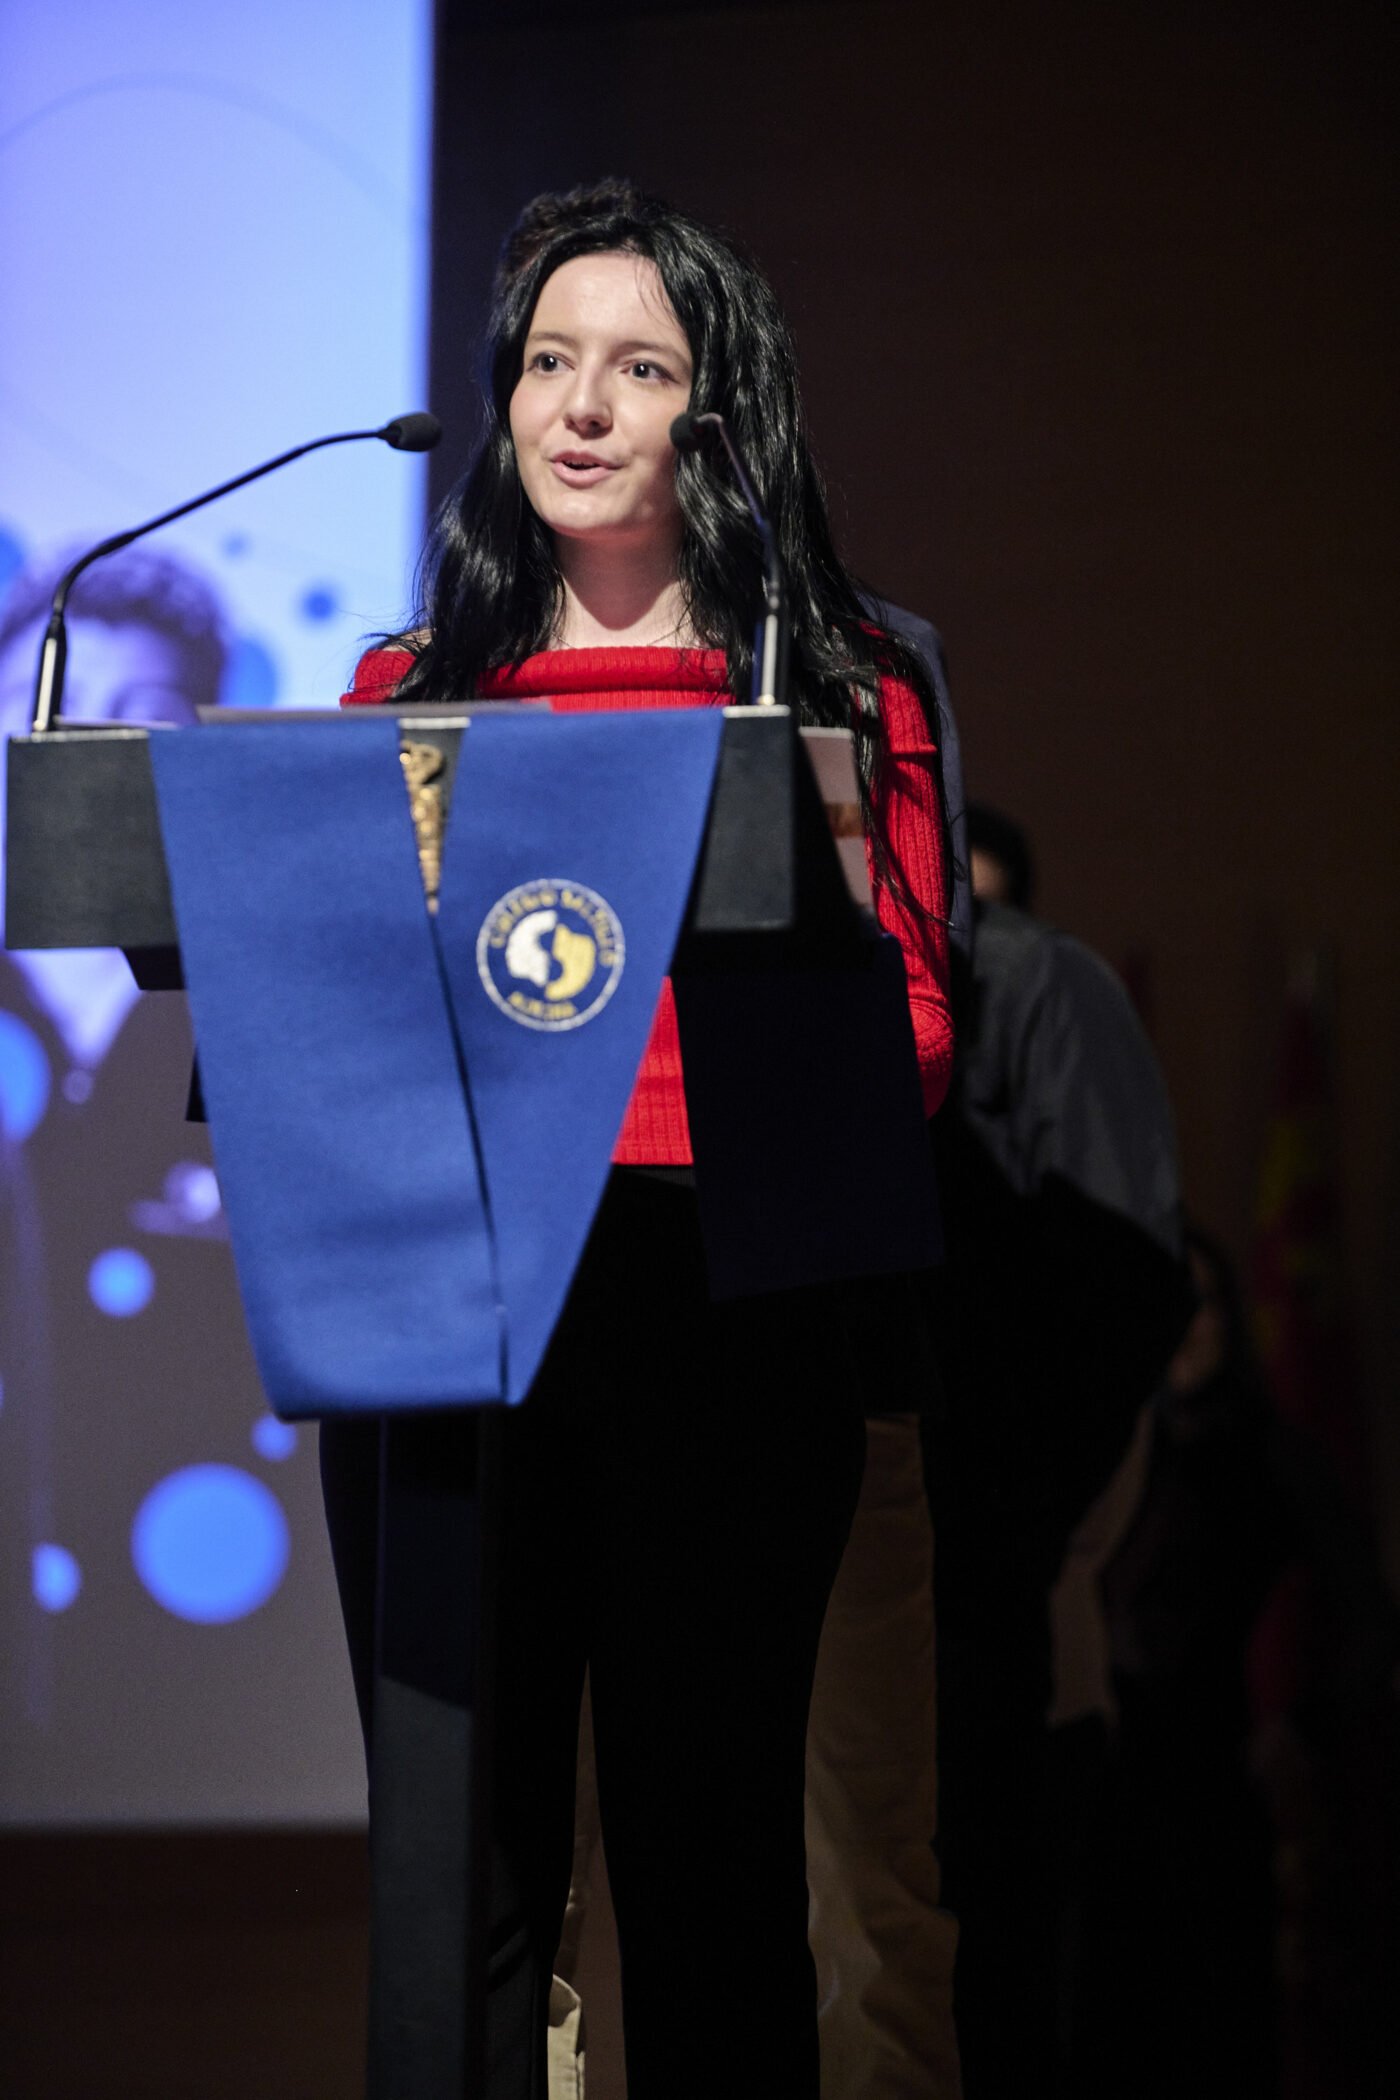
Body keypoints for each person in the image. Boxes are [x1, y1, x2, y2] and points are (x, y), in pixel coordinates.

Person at [322, 179, 954, 2098]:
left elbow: (916, 1032)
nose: (579, 406)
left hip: (724, 1312)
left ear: (720, 408)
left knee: (711, 1872)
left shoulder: (837, 682)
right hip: (448, 1323)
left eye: (641, 366)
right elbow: (318, 1019)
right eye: (546, 362)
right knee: (464, 1880)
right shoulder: (397, 696)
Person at [924, 802, 1194, 2098]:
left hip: (1002, 1619)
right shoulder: (791, 990)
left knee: (997, 1999)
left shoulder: (1038, 989)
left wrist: (1003, 1532)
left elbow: (1129, 1299)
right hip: (839, 1605)